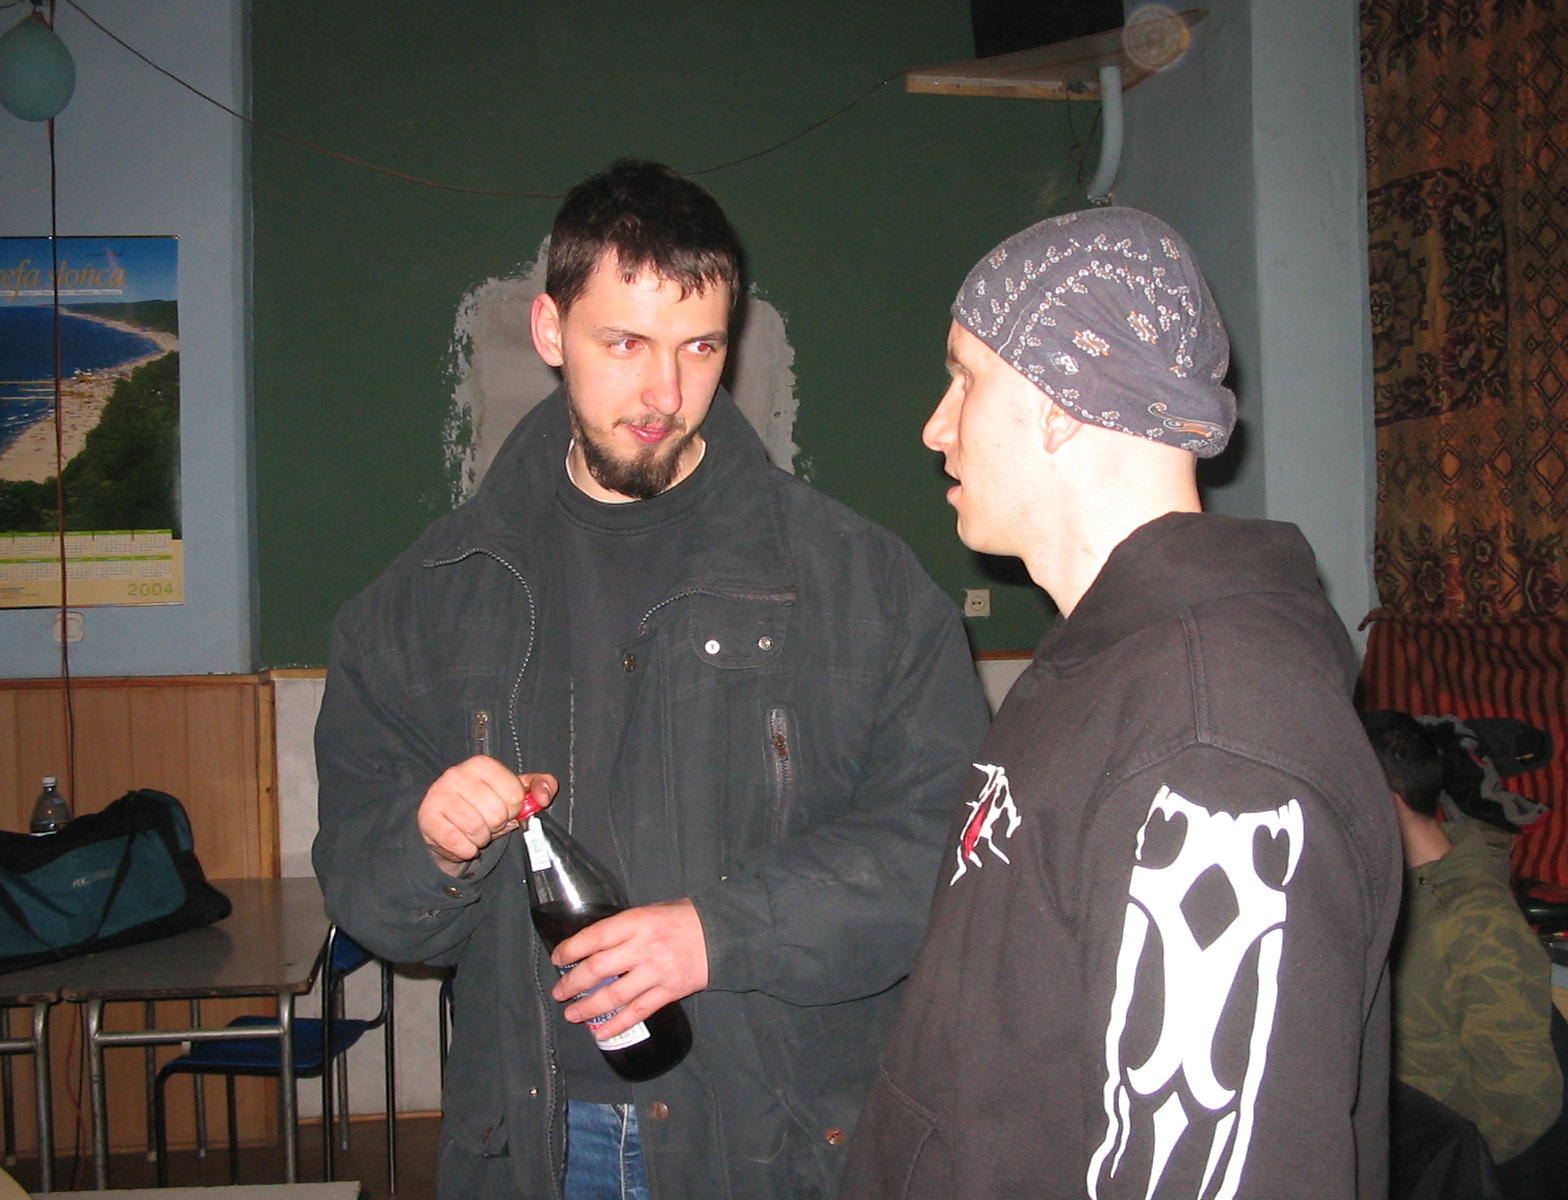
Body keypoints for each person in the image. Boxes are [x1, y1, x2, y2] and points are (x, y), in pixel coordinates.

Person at [312, 159, 988, 1200]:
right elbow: (380, 909)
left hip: (774, 1149)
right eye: (624, 344)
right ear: (550, 331)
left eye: (699, 347)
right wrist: (433, 846)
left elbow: (944, 855)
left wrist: (719, 934)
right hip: (533, 1148)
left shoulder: (865, 585)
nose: (665, 394)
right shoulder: (426, 600)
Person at [838, 207, 1401, 1199]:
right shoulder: (1101, 669)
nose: (936, 426)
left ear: (1060, 398)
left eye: (965, 378)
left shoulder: (1214, 746)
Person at [1361, 710, 1563, 1183]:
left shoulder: (1475, 918)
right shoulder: (1383, 892)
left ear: (1383, 802)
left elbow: (1522, 1101)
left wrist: (1428, 1165)